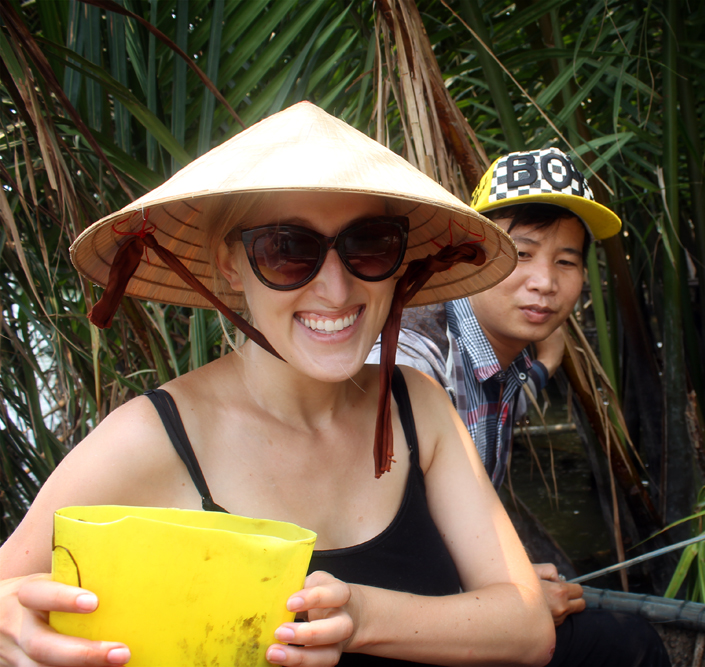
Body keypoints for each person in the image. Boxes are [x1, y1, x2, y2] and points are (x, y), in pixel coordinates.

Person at [0, 102, 555, 667]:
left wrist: (362, 617)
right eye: (288, 250)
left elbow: (529, 625)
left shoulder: (417, 406)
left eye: (369, 244)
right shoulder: (153, 436)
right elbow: (7, 593)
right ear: (231, 264)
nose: (336, 291)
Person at [368, 148, 670, 667]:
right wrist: (514, 603)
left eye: (566, 262)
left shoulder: (506, 356)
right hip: (387, 626)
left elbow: (497, 396)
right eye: (522, 253)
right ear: (470, 253)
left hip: (441, 605)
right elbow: (383, 550)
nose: (545, 282)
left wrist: (543, 364)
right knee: (630, 646)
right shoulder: (413, 357)